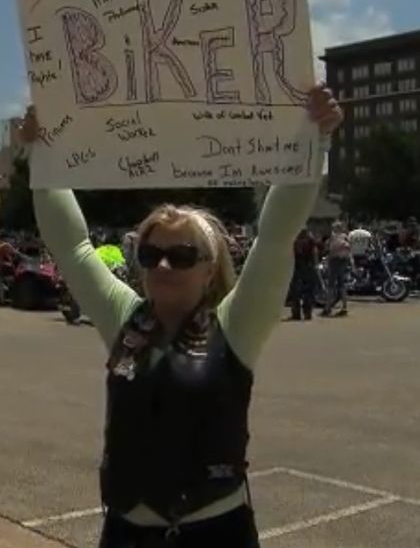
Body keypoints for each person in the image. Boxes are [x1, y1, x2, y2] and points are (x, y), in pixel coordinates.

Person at [21, 85, 342, 546]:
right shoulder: (124, 318)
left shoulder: (236, 325)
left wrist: (316, 139)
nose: (164, 265)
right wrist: (41, 153)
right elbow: (72, 248)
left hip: (215, 532)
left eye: (183, 254)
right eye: (150, 254)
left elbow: (275, 235)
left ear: (210, 267)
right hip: (126, 532)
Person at [323, 221, 352, 317]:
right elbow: (349, 249)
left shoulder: (333, 237)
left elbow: (328, 249)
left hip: (334, 261)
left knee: (331, 285)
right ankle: (344, 307)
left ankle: (327, 307)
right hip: (343, 261)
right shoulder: (345, 237)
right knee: (342, 285)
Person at [290, 227, 319, 321]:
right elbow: (315, 252)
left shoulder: (295, 239)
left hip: (299, 265)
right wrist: (315, 264)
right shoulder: (310, 239)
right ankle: (306, 313)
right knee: (307, 291)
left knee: (296, 291)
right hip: (307, 266)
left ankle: (297, 313)